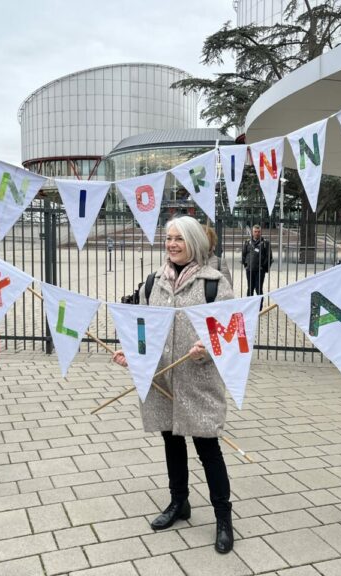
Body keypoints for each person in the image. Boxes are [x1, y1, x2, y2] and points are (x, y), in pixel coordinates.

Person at [112, 216, 236, 554]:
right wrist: (131, 353)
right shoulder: (153, 282)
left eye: (179, 238)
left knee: (208, 447)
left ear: (193, 242)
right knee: (171, 440)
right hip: (162, 377)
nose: (171, 244)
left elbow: (229, 330)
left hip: (198, 381)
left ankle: (224, 518)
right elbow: (141, 325)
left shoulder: (215, 283)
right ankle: (179, 502)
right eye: (168, 238)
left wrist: (208, 347)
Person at [241, 224, 272, 298]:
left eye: (258, 232)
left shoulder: (265, 243)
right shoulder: (247, 242)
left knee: (258, 290)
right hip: (249, 270)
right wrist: (246, 265)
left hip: (260, 270)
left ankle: (260, 308)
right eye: (255, 231)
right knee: (250, 289)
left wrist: (263, 268)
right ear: (252, 232)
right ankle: (249, 307)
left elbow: (269, 257)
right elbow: (243, 255)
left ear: (261, 232)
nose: (257, 233)